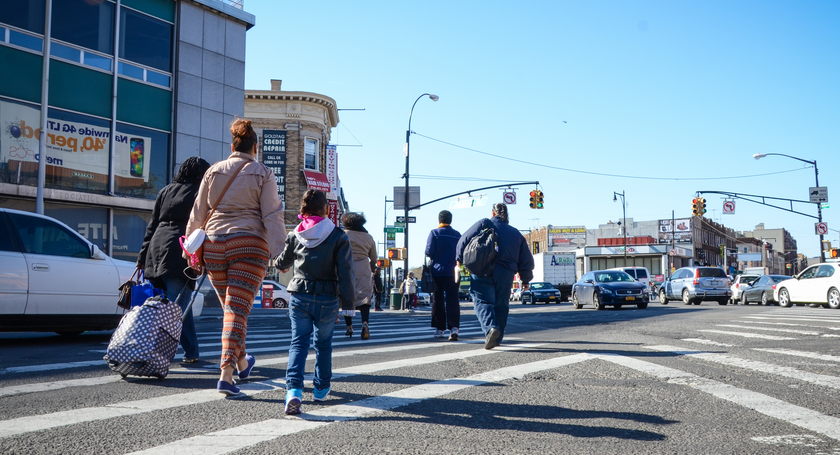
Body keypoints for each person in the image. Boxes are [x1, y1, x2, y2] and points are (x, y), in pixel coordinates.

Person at [186, 118, 286, 396]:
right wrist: (282, 253)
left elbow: (198, 213)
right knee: (236, 311)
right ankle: (226, 376)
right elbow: (271, 214)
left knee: (233, 311)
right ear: (256, 148)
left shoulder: (213, 171)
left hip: (214, 245)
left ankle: (243, 363)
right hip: (249, 245)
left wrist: (192, 252)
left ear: (232, 146)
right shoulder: (263, 172)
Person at [275, 189, 356, 415]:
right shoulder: (338, 236)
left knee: (298, 343)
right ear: (327, 209)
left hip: (299, 295)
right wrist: (349, 307)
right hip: (328, 298)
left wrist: (276, 262)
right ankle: (320, 388)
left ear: (303, 209)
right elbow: (346, 274)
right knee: (323, 344)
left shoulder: (296, 234)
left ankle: (293, 391)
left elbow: (282, 261)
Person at [138, 156, 211, 363]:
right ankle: (189, 352)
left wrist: (141, 258)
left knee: (160, 306)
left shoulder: (165, 191)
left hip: (155, 250)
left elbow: (151, 226)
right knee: (179, 307)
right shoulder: (199, 192)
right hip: (180, 250)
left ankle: (150, 347)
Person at [456, 202, 534, 349]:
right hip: (506, 272)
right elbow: (526, 259)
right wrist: (525, 279)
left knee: (482, 300)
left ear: (493, 213)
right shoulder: (516, 233)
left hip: (482, 268)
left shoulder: (484, 223)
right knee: (502, 305)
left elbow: (463, 240)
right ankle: (497, 338)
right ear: (507, 216)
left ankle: (490, 328)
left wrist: (458, 258)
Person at [425, 210, 462, 341]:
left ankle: (440, 329)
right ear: (450, 220)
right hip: (453, 273)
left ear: (439, 220)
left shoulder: (434, 233)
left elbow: (429, 252)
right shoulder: (457, 235)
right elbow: (461, 252)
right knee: (453, 299)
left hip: (437, 272)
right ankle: (454, 328)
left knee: (438, 300)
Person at [341, 212, 377, 339]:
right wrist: (372, 268)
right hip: (363, 268)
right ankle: (365, 324)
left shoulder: (343, 235)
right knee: (364, 299)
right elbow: (373, 258)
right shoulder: (369, 237)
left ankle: (349, 327)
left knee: (347, 298)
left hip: (346, 268)